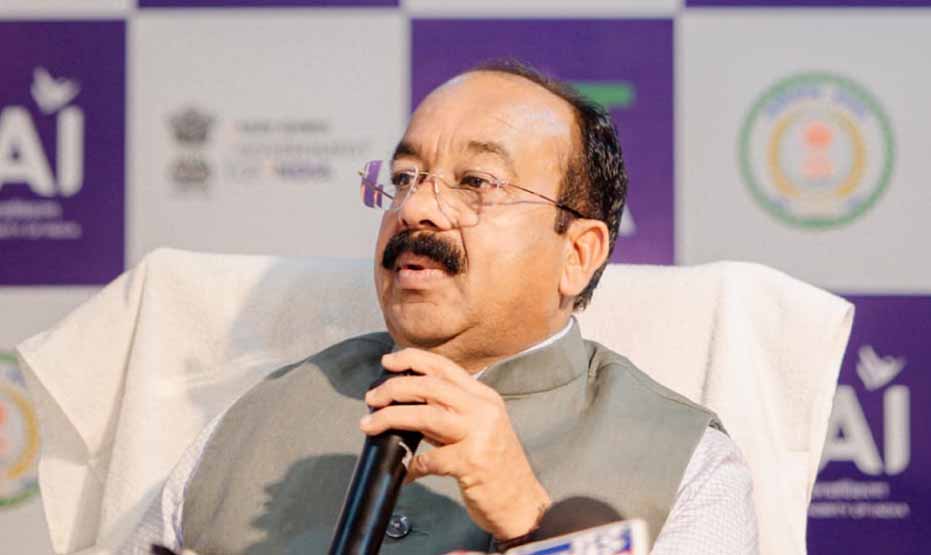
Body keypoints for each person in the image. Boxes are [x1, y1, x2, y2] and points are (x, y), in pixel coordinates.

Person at [123, 60, 758, 554]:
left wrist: (529, 521)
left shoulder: (686, 461)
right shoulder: (258, 417)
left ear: (577, 253)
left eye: (476, 183)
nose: (415, 208)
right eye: (403, 178)